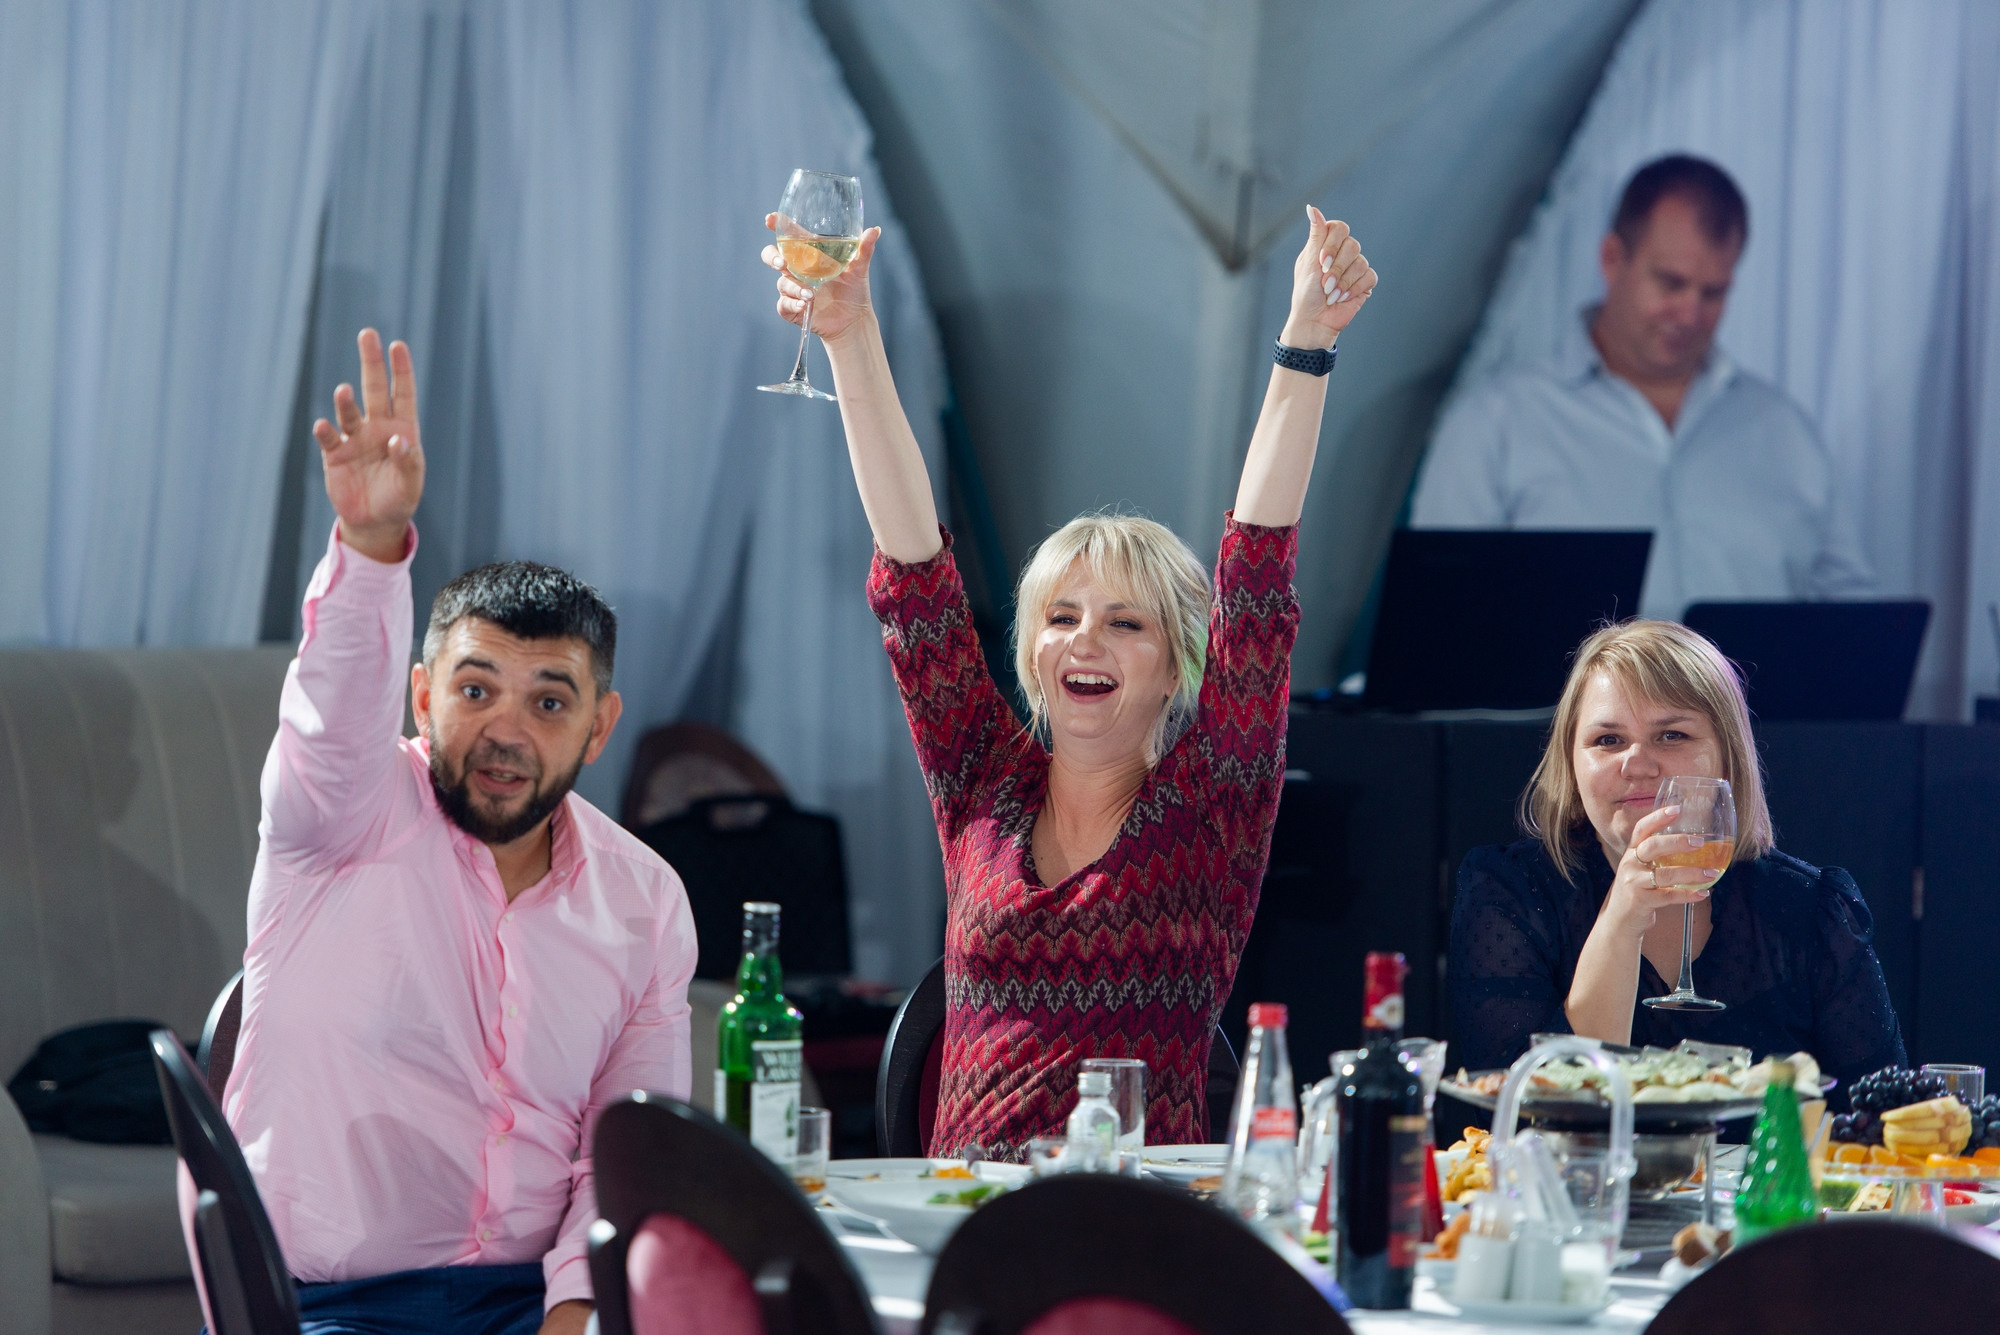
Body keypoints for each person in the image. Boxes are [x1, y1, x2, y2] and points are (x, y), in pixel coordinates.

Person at [762, 209, 1377, 1158]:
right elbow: (912, 564)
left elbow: (1256, 580)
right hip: (964, 1228)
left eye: (1126, 623)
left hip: (1138, 1233)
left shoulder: (1210, 805)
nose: (1085, 640)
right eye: (1061, 616)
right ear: (1033, 650)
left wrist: (1304, 343)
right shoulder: (980, 776)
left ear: (1178, 662)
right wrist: (850, 334)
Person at [205, 330, 697, 1335]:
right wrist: (373, 544)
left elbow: (625, 1149)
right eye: (475, 691)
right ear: (423, 697)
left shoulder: (645, 900)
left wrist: (571, 1315)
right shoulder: (337, 809)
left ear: (599, 728)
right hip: (334, 1304)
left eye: (548, 703)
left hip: (537, 1305)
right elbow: (331, 705)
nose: (505, 731)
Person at [1447, 619, 1905, 1096]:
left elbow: (1881, 1112)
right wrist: (1621, 919)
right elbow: (1519, 1115)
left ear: (1727, 755)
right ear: (1572, 762)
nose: (1637, 763)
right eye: (1608, 740)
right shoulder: (1506, 892)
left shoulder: (1814, 909)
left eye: (1672, 736)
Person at [1410, 154, 1872, 619]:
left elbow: (1853, 629)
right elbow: (1433, 624)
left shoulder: (1785, 433)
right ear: (1612, 259)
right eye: (1671, 283)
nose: (1690, 314)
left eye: (1713, 292)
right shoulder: (1495, 425)